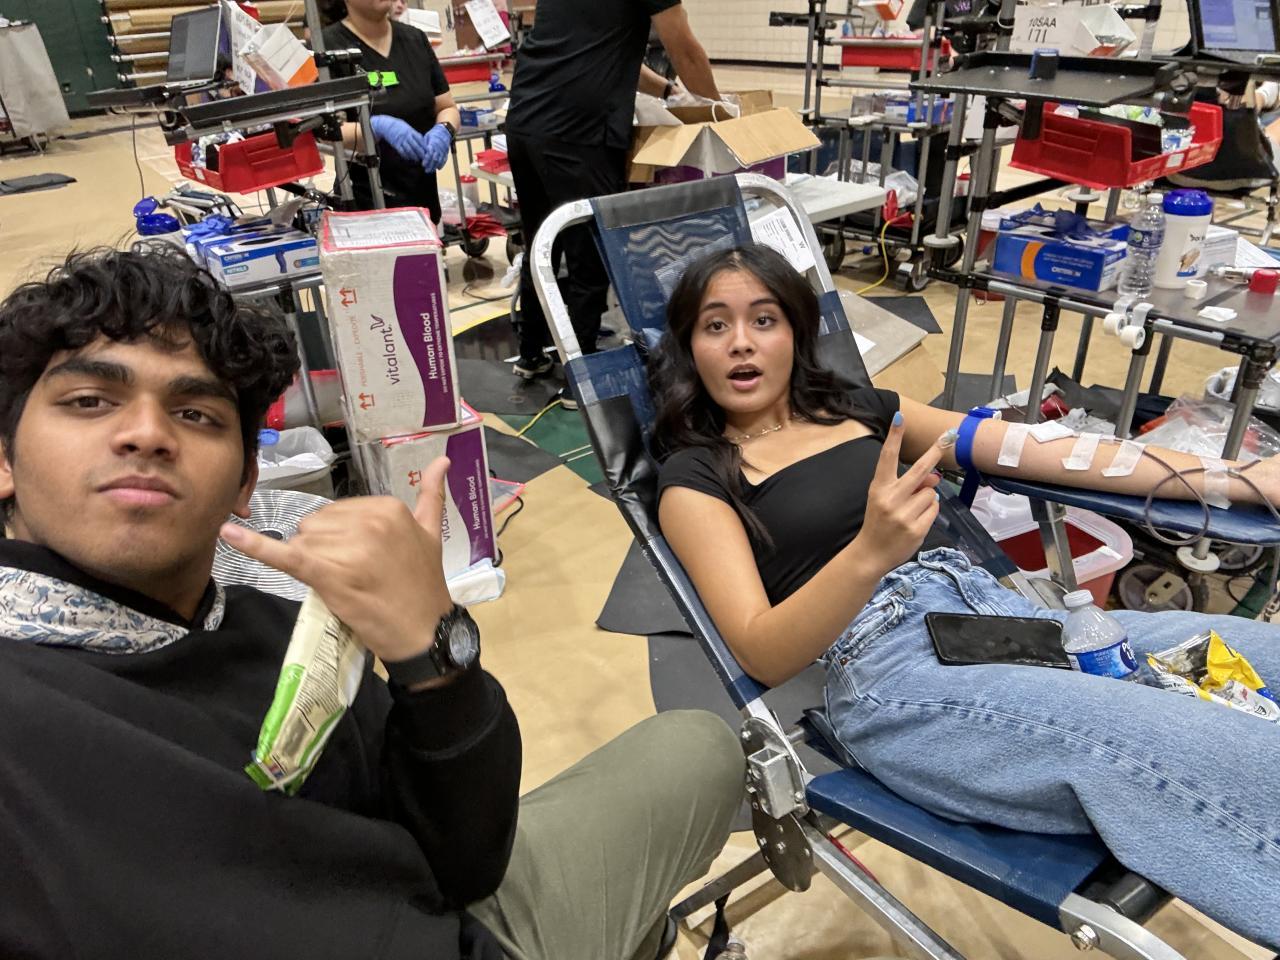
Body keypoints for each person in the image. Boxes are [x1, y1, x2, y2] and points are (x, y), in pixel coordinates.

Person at [0, 246, 745, 960]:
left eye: (197, 414)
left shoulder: (279, 629)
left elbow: (466, 859)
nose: (145, 433)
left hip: (442, 907)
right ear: (4, 460)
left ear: (246, 482)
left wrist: (435, 652)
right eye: (90, 401)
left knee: (700, 745)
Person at [650, 244, 1280, 949]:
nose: (741, 342)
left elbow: (1045, 451)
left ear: (796, 332)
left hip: (1009, 619)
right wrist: (868, 554)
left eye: (764, 319)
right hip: (891, 672)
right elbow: (760, 650)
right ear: (690, 347)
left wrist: (1237, 480)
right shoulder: (697, 477)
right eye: (716, 325)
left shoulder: (860, 407)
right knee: (1196, 743)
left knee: (1262, 654)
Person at [504, 0, 721, 384]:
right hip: (577, 132)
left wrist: (668, 90)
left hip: (526, 119)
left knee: (541, 246)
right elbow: (684, 50)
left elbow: (609, 54)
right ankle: (581, 374)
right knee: (589, 256)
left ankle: (531, 352)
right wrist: (722, 114)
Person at [323, 0, 461, 222]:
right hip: (366, 205)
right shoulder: (329, 48)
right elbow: (325, 131)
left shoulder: (415, 39)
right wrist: (375, 128)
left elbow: (446, 106)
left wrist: (444, 129)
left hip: (421, 199)